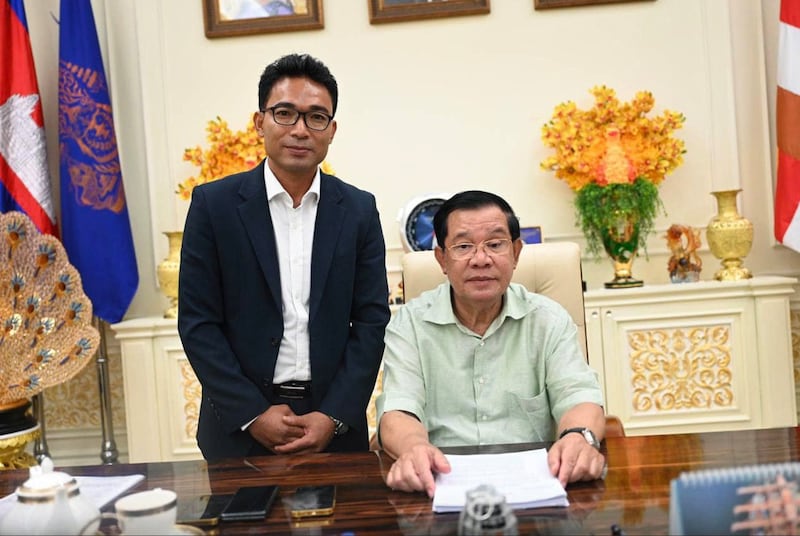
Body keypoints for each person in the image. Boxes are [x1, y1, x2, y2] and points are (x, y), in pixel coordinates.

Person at [178, 53, 391, 461]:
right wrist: (252, 413)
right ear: (260, 122)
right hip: (238, 428)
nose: (299, 129)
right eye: (285, 113)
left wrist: (333, 415)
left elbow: (371, 320)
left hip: (334, 424)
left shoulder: (359, 210)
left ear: (331, 130)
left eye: (315, 117)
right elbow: (198, 322)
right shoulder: (214, 205)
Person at [376, 190, 606, 496]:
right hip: (439, 482)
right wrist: (414, 448)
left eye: (495, 244)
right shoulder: (410, 325)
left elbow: (579, 396)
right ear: (442, 259)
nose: (481, 259)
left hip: (537, 486)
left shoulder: (548, 319)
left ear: (516, 252)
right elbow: (398, 410)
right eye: (463, 246)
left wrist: (579, 438)